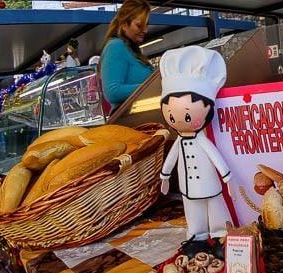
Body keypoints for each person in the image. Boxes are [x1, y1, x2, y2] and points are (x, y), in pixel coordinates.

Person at [158, 46, 232, 243]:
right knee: (193, 211)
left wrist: (227, 179)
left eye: (188, 114)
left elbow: (216, 158)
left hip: (209, 184)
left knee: (216, 206)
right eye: (171, 115)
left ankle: (220, 236)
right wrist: (164, 177)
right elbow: (171, 159)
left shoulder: (202, 141)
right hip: (187, 187)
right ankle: (196, 238)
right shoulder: (179, 142)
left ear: (208, 109)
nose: (179, 119)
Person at [99, 0, 154, 107]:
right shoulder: (116, 46)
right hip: (129, 120)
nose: (145, 30)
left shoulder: (131, 49)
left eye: (146, 25)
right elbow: (112, 92)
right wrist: (151, 86)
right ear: (124, 25)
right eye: (139, 25)